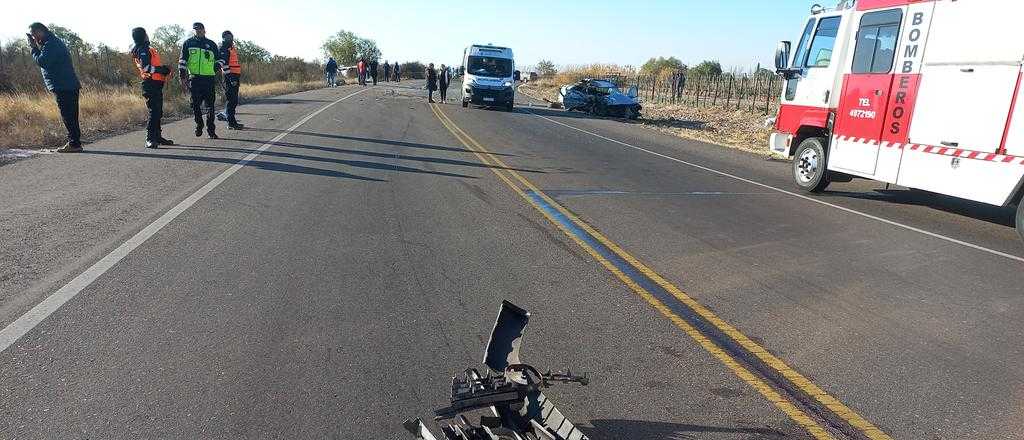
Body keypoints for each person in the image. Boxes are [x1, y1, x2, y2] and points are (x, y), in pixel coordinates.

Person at [27, 23, 82, 152]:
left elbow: (43, 61)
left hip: (63, 86)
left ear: (40, 31)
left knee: (68, 116)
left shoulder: (51, 44)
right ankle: (75, 142)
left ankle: (74, 144)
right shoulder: (52, 42)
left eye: (34, 34)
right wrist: (37, 47)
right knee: (71, 116)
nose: (33, 37)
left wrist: (33, 49)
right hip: (67, 84)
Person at [130, 27, 174, 149]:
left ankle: (157, 136)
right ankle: (150, 138)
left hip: (156, 83)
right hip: (150, 83)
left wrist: (163, 70)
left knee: (158, 111)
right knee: (154, 111)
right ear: (143, 35)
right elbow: (146, 68)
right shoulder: (142, 49)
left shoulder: (146, 48)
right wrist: (162, 69)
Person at [178, 22, 222, 139]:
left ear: (204, 30)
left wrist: (215, 67)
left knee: (210, 106)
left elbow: (220, 60)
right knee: (195, 104)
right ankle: (199, 124)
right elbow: (182, 61)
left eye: (200, 29)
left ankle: (211, 130)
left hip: (209, 79)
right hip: (194, 79)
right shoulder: (188, 43)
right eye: (195, 29)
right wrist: (182, 77)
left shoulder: (211, 44)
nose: (198, 31)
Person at [218, 30, 244, 130]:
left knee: (234, 100)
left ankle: (231, 120)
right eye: (227, 37)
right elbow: (224, 65)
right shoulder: (224, 48)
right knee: (231, 100)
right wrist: (231, 78)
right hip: (229, 76)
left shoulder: (231, 47)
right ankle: (231, 123)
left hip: (235, 75)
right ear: (224, 38)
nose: (230, 38)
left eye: (231, 36)